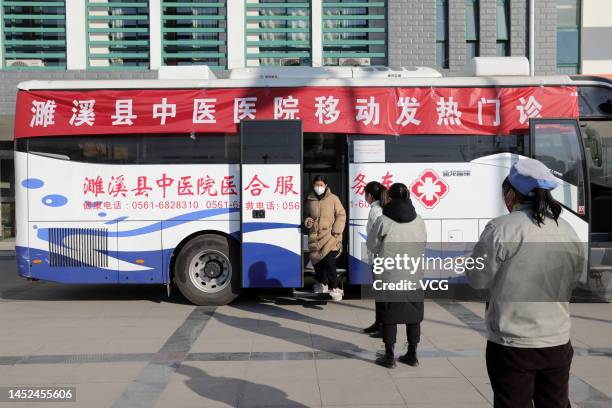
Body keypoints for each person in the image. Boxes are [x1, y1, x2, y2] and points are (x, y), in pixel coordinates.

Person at [466, 158, 586, 408]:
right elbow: (575, 278)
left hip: (513, 344)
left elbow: (477, 279)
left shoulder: (501, 228)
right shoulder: (566, 230)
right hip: (557, 341)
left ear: (511, 193)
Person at [367, 183, 427, 368]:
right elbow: (423, 243)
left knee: (389, 316)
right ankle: (412, 354)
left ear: (389, 198)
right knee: (413, 316)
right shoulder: (419, 220)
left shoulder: (383, 220)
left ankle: (389, 356)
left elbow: (372, 245)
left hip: (390, 276)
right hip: (413, 275)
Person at [304, 175, 347, 301]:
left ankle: (335, 288)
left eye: (321, 185)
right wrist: (307, 221)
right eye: (317, 185)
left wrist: (337, 230)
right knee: (317, 262)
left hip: (330, 236)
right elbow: (306, 215)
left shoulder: (334, 199)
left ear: (326, 186)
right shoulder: (309, 199)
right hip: (315, 236)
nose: (319, 187)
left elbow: (341, 214)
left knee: (329, 262)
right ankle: (321, 283)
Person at [363, 181, 387, 338]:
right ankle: (379, 322)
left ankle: (383, 326)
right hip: (379, 257)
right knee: (380, 293)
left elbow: (377, 236)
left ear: (370, 195)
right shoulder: (379, 209)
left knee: (381, 294)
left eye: (365, 194)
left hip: (378, 259)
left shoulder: (375, 211)